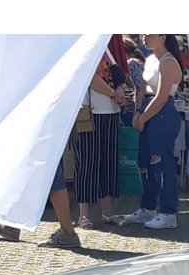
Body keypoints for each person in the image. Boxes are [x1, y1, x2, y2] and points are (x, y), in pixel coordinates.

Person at [118, 33, 182, 229]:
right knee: (144, 161)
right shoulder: (151, 59)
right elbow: (141, 88)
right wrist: (137, 111)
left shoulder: (168, 61)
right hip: (147, 109)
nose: (145, 37)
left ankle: (168, 212)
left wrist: (143, 117)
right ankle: (148, 207)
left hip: (161, 114)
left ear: (162, 36)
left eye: (149, 34)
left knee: (162, 162)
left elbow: (162, 97)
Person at [73, 44, 125, 228]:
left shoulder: (105, 48)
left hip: (110, 112)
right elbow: (90, 78)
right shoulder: (83, 48)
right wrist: (113, 93)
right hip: (90, 113)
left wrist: (119, 88)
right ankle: (83, 214)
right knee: (87, 162)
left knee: (108, 162)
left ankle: (107, 212)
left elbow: (116, 73)